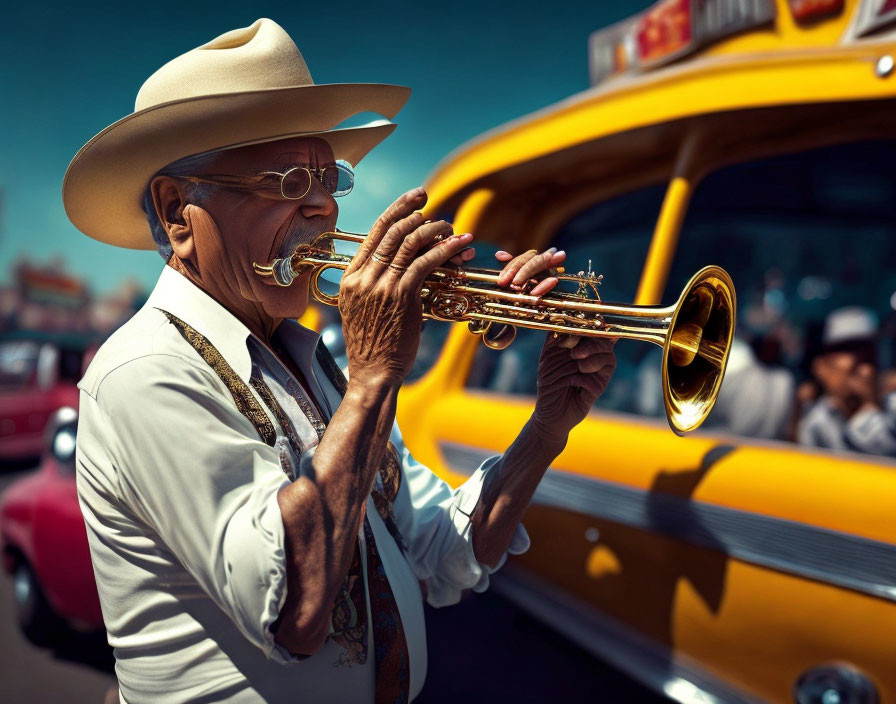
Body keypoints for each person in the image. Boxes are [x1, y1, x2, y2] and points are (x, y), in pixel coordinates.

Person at [63, 19, 617, 704]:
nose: (324, 205)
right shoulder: (144, 371)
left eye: (330, 178)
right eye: (288, 178)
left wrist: (548, 427)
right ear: (179, 214)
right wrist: (377, 373)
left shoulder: (314, 362)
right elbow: (293, 611)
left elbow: (440, 553)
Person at [797, 306, 896, 455]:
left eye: (868, 351)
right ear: (823, 366)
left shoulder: (892, 407)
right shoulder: (818, 421)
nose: (865, 368)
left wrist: (869, 406)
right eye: (849, 348)